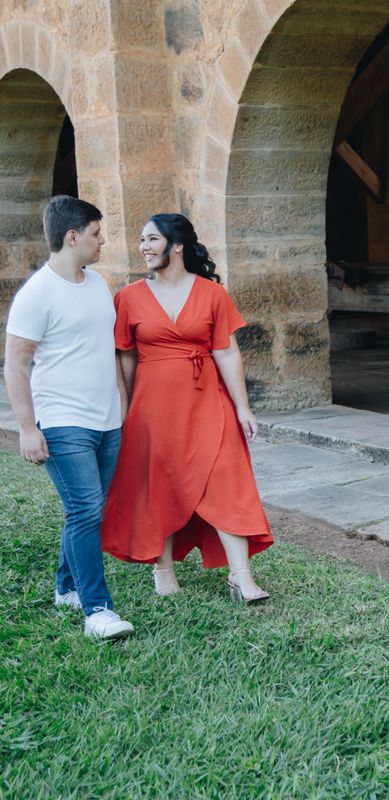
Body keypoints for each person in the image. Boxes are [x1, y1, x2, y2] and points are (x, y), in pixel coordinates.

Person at [101, 213, 273, 602]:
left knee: (228, 479)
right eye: (141, 240)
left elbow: (227, 353)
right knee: (157, 483)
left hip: (208, 401)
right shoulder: (127, 297)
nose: (144, 247)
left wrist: (243, 407)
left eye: (152, 239)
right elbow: (124, 359)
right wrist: (128, 411)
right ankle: (162, 570)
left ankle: (242, 577)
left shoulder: (212, 293)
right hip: (153, 407)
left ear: (176, 244)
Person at [3, 195, 134, 639]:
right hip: (63, 421)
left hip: (107, 419)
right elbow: (16, 365)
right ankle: (97, 611)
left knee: (87, 510)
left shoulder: (97, 284)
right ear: (73, 236)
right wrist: (26, 428)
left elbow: (108, 352)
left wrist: (123, 406)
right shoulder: (35, 295)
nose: (104, 241)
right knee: (85, 510)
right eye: (98, 234)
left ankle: (66, 587)